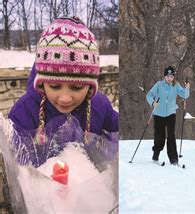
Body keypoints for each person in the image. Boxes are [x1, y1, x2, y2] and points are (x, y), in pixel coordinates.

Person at [8, 17, 119, 167]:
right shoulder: (24, 112)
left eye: (77, 87)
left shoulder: (100, 106)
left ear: (90, 86)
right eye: (54, 85)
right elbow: (17, 165)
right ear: (41, 83)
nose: (65, 98)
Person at [146, 66, 189, 165]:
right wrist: (153, 103)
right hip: (158, 114)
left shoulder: (176, 85)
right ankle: (155, 155)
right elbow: (149, 95)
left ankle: (173, 158)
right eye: (168, 76)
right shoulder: (159, 85)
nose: (170, 78)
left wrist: (187, 88)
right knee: (159, 136)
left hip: (171, 114)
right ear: (165, 76)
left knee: (171, 136)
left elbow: (185, 95)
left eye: (171, 76)